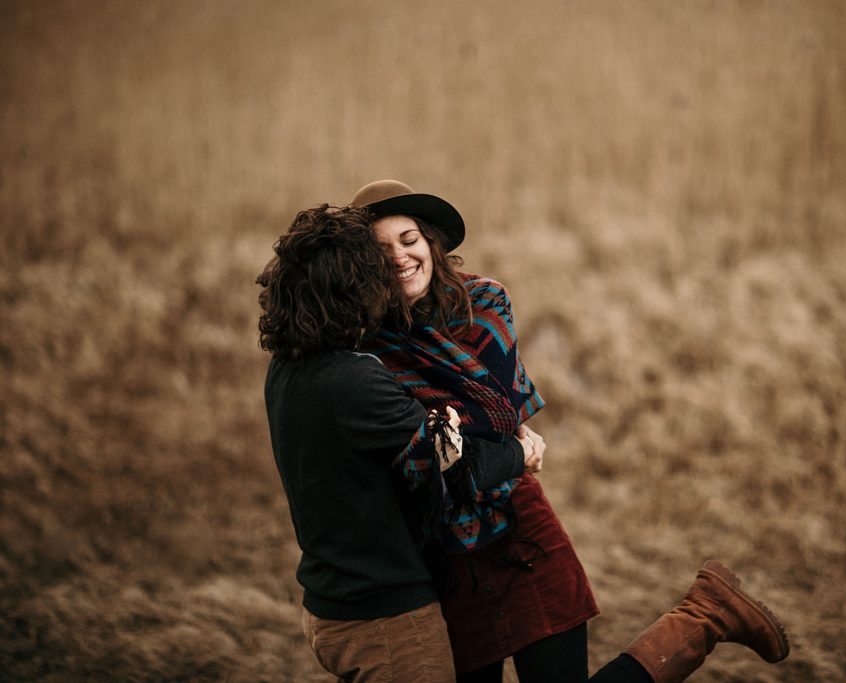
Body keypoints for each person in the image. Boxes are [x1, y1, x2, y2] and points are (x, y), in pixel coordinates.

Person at [348, 179, 792, 683]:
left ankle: (703, 618)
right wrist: (472, 441)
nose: (401, 257)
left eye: (408, 239)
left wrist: (458, 436)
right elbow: (428, 447)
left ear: (430, 242)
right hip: (442, 558)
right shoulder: (366, 348)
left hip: (521, 534)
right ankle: (707, 612)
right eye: (381, 250)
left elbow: (494, 416)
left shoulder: (483, 302)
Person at [257, 204, 533, 682]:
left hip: (330, 601)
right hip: (386, 616)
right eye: (370, 275)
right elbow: (457, 466)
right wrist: (520, 452)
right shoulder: (357, 380)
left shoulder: (286, 367)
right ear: (348, 291)